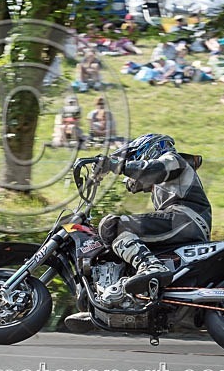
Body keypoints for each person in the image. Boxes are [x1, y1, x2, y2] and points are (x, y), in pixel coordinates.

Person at [64, 134, 212, 333]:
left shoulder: (173, 159)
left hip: (186, 219)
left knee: (113, 225)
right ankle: (108, 305)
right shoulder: (166, 178)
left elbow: (152, 170)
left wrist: (113, 163)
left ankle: (150, 267)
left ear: (149, 150)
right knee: (119, 246)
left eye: (137, 156)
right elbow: (137, 181)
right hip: (181, 222)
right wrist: (99, 176)